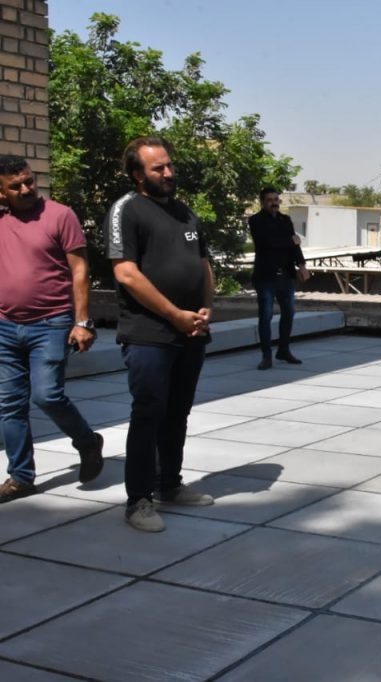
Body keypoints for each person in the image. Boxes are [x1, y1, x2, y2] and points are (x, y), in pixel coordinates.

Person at [105, 137, 216, 532]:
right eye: (158, 168)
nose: (168, 173)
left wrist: (205, 308)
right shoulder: (126, 210)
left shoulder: (185, 212)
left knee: (177, 412)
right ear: (138, 174)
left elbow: (203, 264)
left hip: (192, 331)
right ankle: (139, 500)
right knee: (148, 414)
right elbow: (126, 273)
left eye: (169, 165)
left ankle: (169, 483)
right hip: (149, 333)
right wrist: (174, 315)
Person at [0, 156, 104, 502]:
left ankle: (87, 441)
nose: (26, 189)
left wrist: (83, 321)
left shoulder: (60, 215)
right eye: (15, 186)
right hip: (5, 326)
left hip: (51, 323)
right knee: (10, 405)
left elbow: (79, 270)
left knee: (47, 395)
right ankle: (21, 477)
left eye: (28, 181)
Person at [249, 187, 310, 370]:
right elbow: (266, 243)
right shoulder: (256, 220)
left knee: (289, 313)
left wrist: (302, 265)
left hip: (286, 275)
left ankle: (283, 350)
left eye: (276, 199)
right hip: (266, 276)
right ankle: (266, 356)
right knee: (266, 315)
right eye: (269, 200)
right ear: (262, 202)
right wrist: (290, 241)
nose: (274, 203)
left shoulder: (285, 220)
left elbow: (295, 246)